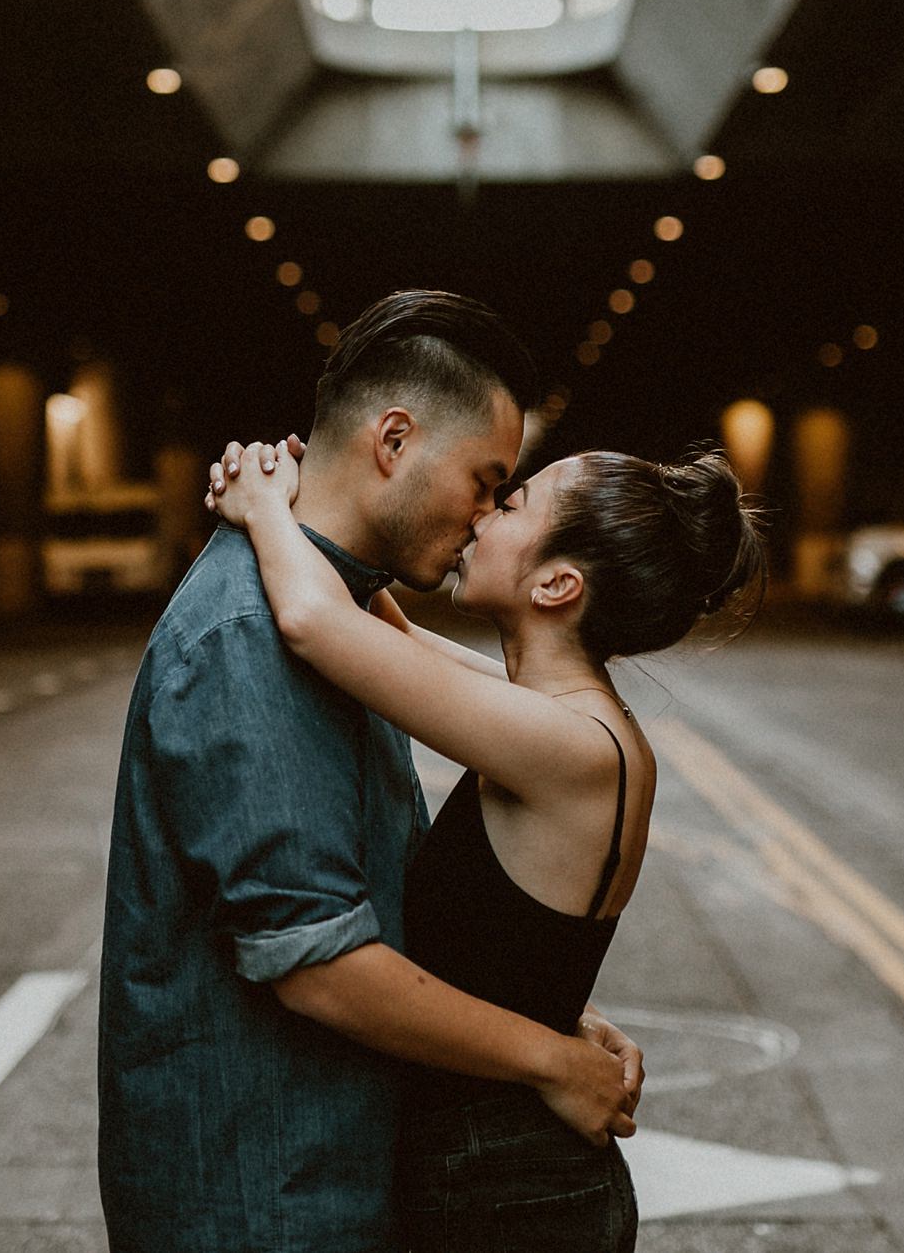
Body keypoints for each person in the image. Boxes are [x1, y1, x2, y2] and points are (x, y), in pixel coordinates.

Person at [97, 291, 643, 1253]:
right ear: (394, 440)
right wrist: (548, 1057)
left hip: (325, 1172)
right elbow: (319, 968)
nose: (483, 516)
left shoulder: (338, 620)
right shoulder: (251, 633)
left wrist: (550, 1004)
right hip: (264, 1196)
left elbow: (390, 898)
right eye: (485, 481)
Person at [209, 423, 767, 1253]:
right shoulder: (564, 719)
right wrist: (315, 500)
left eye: (512, 503)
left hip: (505, 1187)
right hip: (513, 1171)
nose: (481, 515)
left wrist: (260, 508)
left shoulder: (570, 747)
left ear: (556, 584)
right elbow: (385, 636)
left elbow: (314, 622)